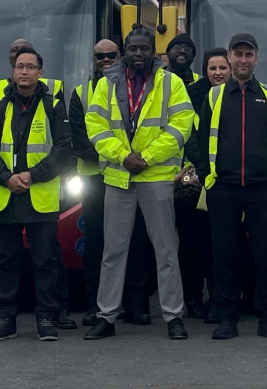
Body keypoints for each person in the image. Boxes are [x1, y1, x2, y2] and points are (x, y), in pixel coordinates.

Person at [84, 26, 194, 341]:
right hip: (120, 176)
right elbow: (96, 126)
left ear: (153, 51)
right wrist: (122, 156)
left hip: (156, 175)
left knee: (166, 250)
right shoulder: (106, 84)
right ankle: (107, 316)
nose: (138, 53)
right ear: (125, 50)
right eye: (132, 48)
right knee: (113, 251)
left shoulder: (170, 82)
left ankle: (174, 317)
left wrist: (144, 156)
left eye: (144, 48)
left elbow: (181, 126)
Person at [194, 33, 267, 340]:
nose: (243, 59)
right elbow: (199, 143)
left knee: (265, 254)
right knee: (224, 255)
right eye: (237, 54)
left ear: (256, 58)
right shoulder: (213, 96)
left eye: (248, 54)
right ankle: (227, 318)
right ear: (229, 57)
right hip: (223, 189)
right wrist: (208, 179)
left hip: (261, 189)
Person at [0, 39, 73, 331]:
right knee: (4, 261)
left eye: (31, 67)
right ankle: (6, 318)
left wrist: (32, 175)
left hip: (40, 196)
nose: (24, 72)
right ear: (12, 71)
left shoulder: (54, 106)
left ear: (40, 73)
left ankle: (46, 317)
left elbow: (62, 149)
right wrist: (7, 177)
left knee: (45, 262)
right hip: (5, 195)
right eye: (20, 66)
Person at [71, 39, 154, 327]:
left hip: (129, 177)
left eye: (111, 55)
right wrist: (116, 156)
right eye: (99, 56)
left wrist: (125, 159)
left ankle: (136, 305)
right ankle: (97, 305)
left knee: (136, 241)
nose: (105, 60)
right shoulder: (81, 93)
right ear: (92, 60)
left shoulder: (138, 87)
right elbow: (80, 140)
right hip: (95, 178)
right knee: (96, 243)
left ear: (120, 56)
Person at [180, 47, 229, 318]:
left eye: (222, 68)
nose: (218, 73)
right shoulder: (191, 96)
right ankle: (193, 300)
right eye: (213, 68)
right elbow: (186, 135)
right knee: (191, 246)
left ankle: (219, 300)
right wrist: (204, 166)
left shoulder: (236, 96)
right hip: (194, 183)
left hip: (224, 182)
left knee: (220, 246)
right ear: (205, 71)